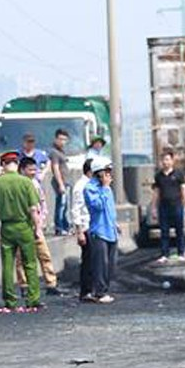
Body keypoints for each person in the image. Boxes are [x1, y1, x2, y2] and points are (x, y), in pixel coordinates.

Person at [0, 151, 43, 310]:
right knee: (30, 263)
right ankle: (33, 298)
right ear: (17, 164)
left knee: (7, 264)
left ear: (3, 165)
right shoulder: (26, 182)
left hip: (7, 227)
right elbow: (33, 208)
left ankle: (10, 300)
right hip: (24, 226)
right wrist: (38, 228)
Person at [16, 155, 59, 294]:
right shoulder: (17, 184)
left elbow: (42, 201)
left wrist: (42, 219)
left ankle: (51, 283)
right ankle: (24, 285)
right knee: (21, 258)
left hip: (37, 225)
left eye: (35, 170)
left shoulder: (35, 184)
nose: (34, 172)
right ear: (22, 170)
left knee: (44, 254)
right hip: (23, 225)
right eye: (31, 170)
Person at [84, 157, 118, 304]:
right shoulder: (90, 188)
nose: (110, 175)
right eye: (107, 172)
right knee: (100, 264)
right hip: (99, 231)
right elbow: (97, 206)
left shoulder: (107, 187)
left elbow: (110, 208)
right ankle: (99, 292)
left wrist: (114, 223)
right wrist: (104, 188)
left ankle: (104, 289)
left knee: (110, 264)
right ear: (99, 173)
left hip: (110, 229)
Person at [151, 149, 185, 263]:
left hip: (177, 205)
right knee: (164, 232)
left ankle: (181, 253)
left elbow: (184, 190)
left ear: (172, 161)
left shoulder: (178, 174)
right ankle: (164, 254)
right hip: (163, 207)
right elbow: (156, 192)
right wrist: (153, 208)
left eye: (167, 159)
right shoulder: (158, 176)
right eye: (163, 160)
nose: (165, 162)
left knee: (179, 230)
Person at [69, 159, 94, 299]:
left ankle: (91, 288)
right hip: (85, 227)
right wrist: (79, 232)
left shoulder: (91, 184)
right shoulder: (81, 186)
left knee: (93, 259)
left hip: (92, 225)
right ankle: (86, 290)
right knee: (88, 260)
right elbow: (76, 210)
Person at [49, 129, 71, 235]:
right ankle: (59, 227)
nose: (63, 142)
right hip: (60, 182)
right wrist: (61, 184)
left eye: (65, 140)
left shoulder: (61, 151)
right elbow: (55, 168)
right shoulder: (54, 152)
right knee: (61, 205)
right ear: (56, 139)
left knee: (65, 205)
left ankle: (65, 226)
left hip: (66, 181)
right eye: (61, 139)